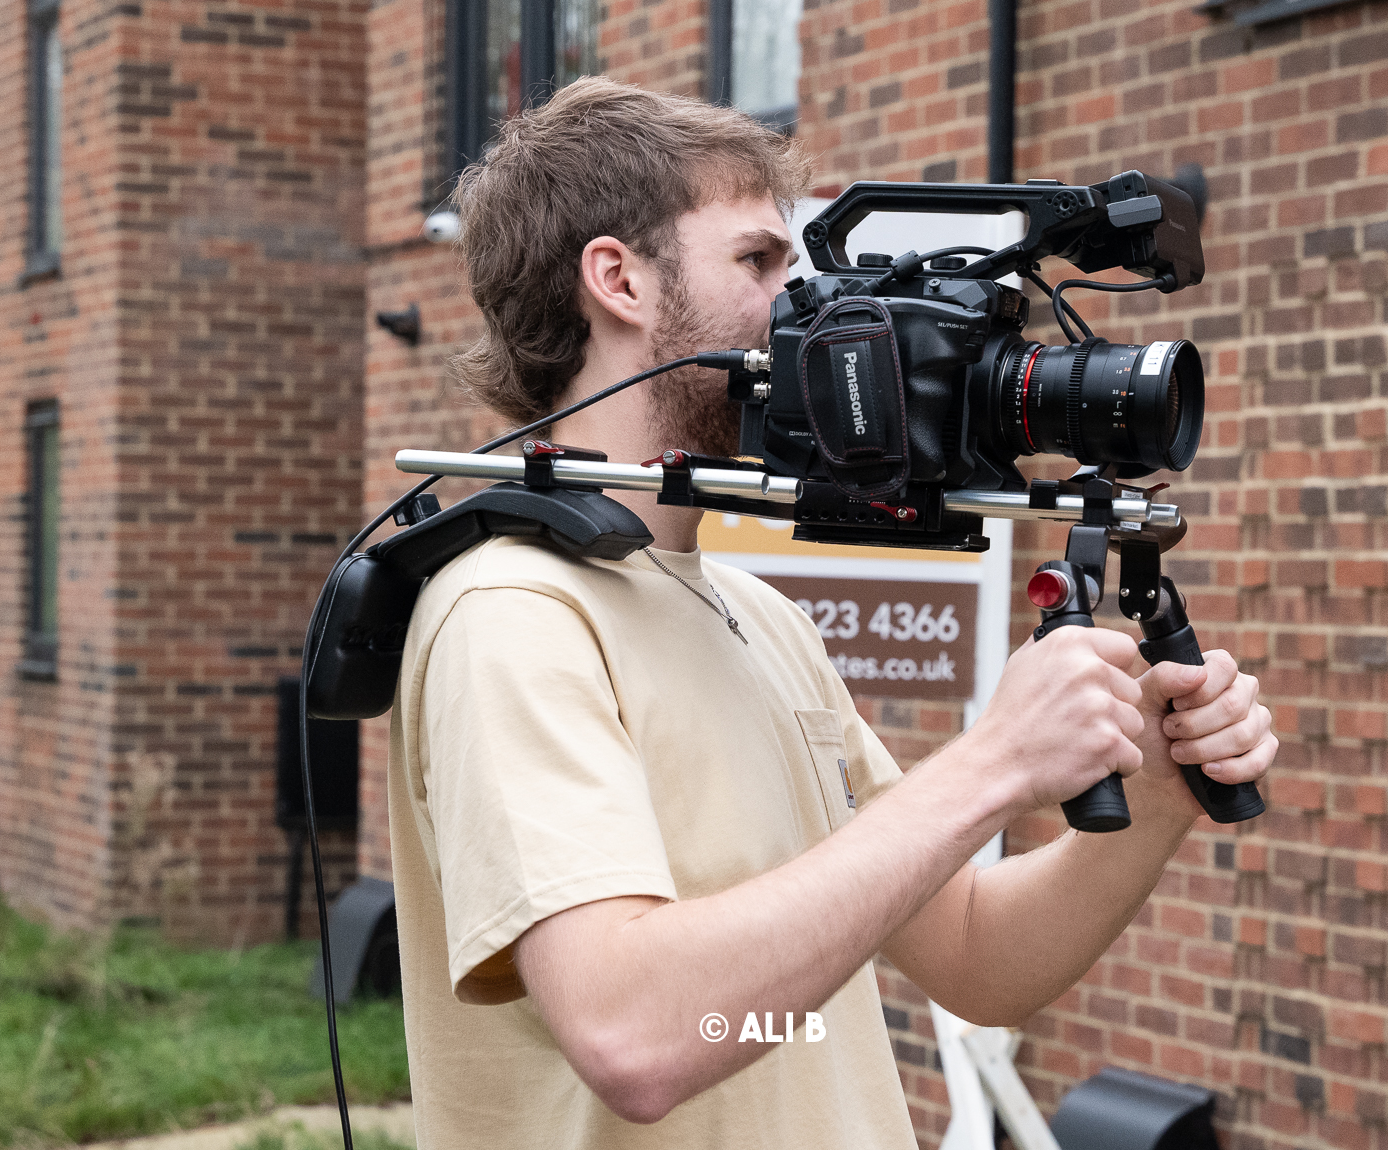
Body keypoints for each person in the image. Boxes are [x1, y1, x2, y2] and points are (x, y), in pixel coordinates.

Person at [385, 76, 1277, 1149]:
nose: (799, 304)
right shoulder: (510, 613)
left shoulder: (757, 616)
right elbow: (637, 1035)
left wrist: (1162, 790)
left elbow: (974, 958)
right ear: (616, 279)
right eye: (759, 261)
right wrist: (990, 763)